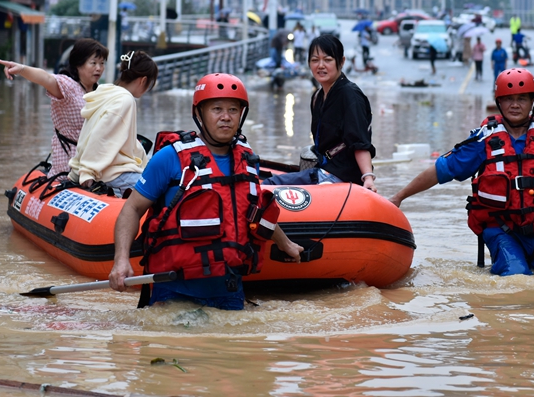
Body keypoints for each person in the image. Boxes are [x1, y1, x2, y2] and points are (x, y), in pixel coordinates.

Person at [389, 68, 534, 276]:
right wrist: (399, 197)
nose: (514, 105)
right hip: (501, 230)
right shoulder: (484, 139)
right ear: (499, 103)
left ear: (532, 102)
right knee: (516, 275)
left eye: (521, 99)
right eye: (508, 99)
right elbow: (440, 171)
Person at [108, 74, 303, 309]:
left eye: (233, 109)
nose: (226, 117)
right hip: (175, 289)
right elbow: (132, 208)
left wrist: (286, 244)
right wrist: (121, 261)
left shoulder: (248, 159)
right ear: (199, 114)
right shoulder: (170, 158)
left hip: (229, 290)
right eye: (217, 109)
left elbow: (252, 213)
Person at [262, 34, 377, 192]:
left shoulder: (350, 95)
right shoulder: (317, 96)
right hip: (324, 168)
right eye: (315, 60)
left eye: (328, 60)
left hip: (340, 176)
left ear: (341, 62)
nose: (320, 65)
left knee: (269, 185)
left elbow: (359, 141)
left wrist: (368, 177)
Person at [0, 38, 108, 177]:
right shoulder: (67, 86)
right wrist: (22, 69)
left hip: (95, 164)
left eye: (102, 63)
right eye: (93, 63)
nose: (99, 68)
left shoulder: (102, 92)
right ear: (78, 64)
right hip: (69, 165)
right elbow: (46, 78)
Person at [67, 51, 158, 197]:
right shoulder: (125, 100)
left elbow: (98, 133)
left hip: (98, 168)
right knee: (161, 188)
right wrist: (87, 172)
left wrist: (78, 170)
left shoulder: (107, 92)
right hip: (112, 174)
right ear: (143, 80)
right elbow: (100, 135)